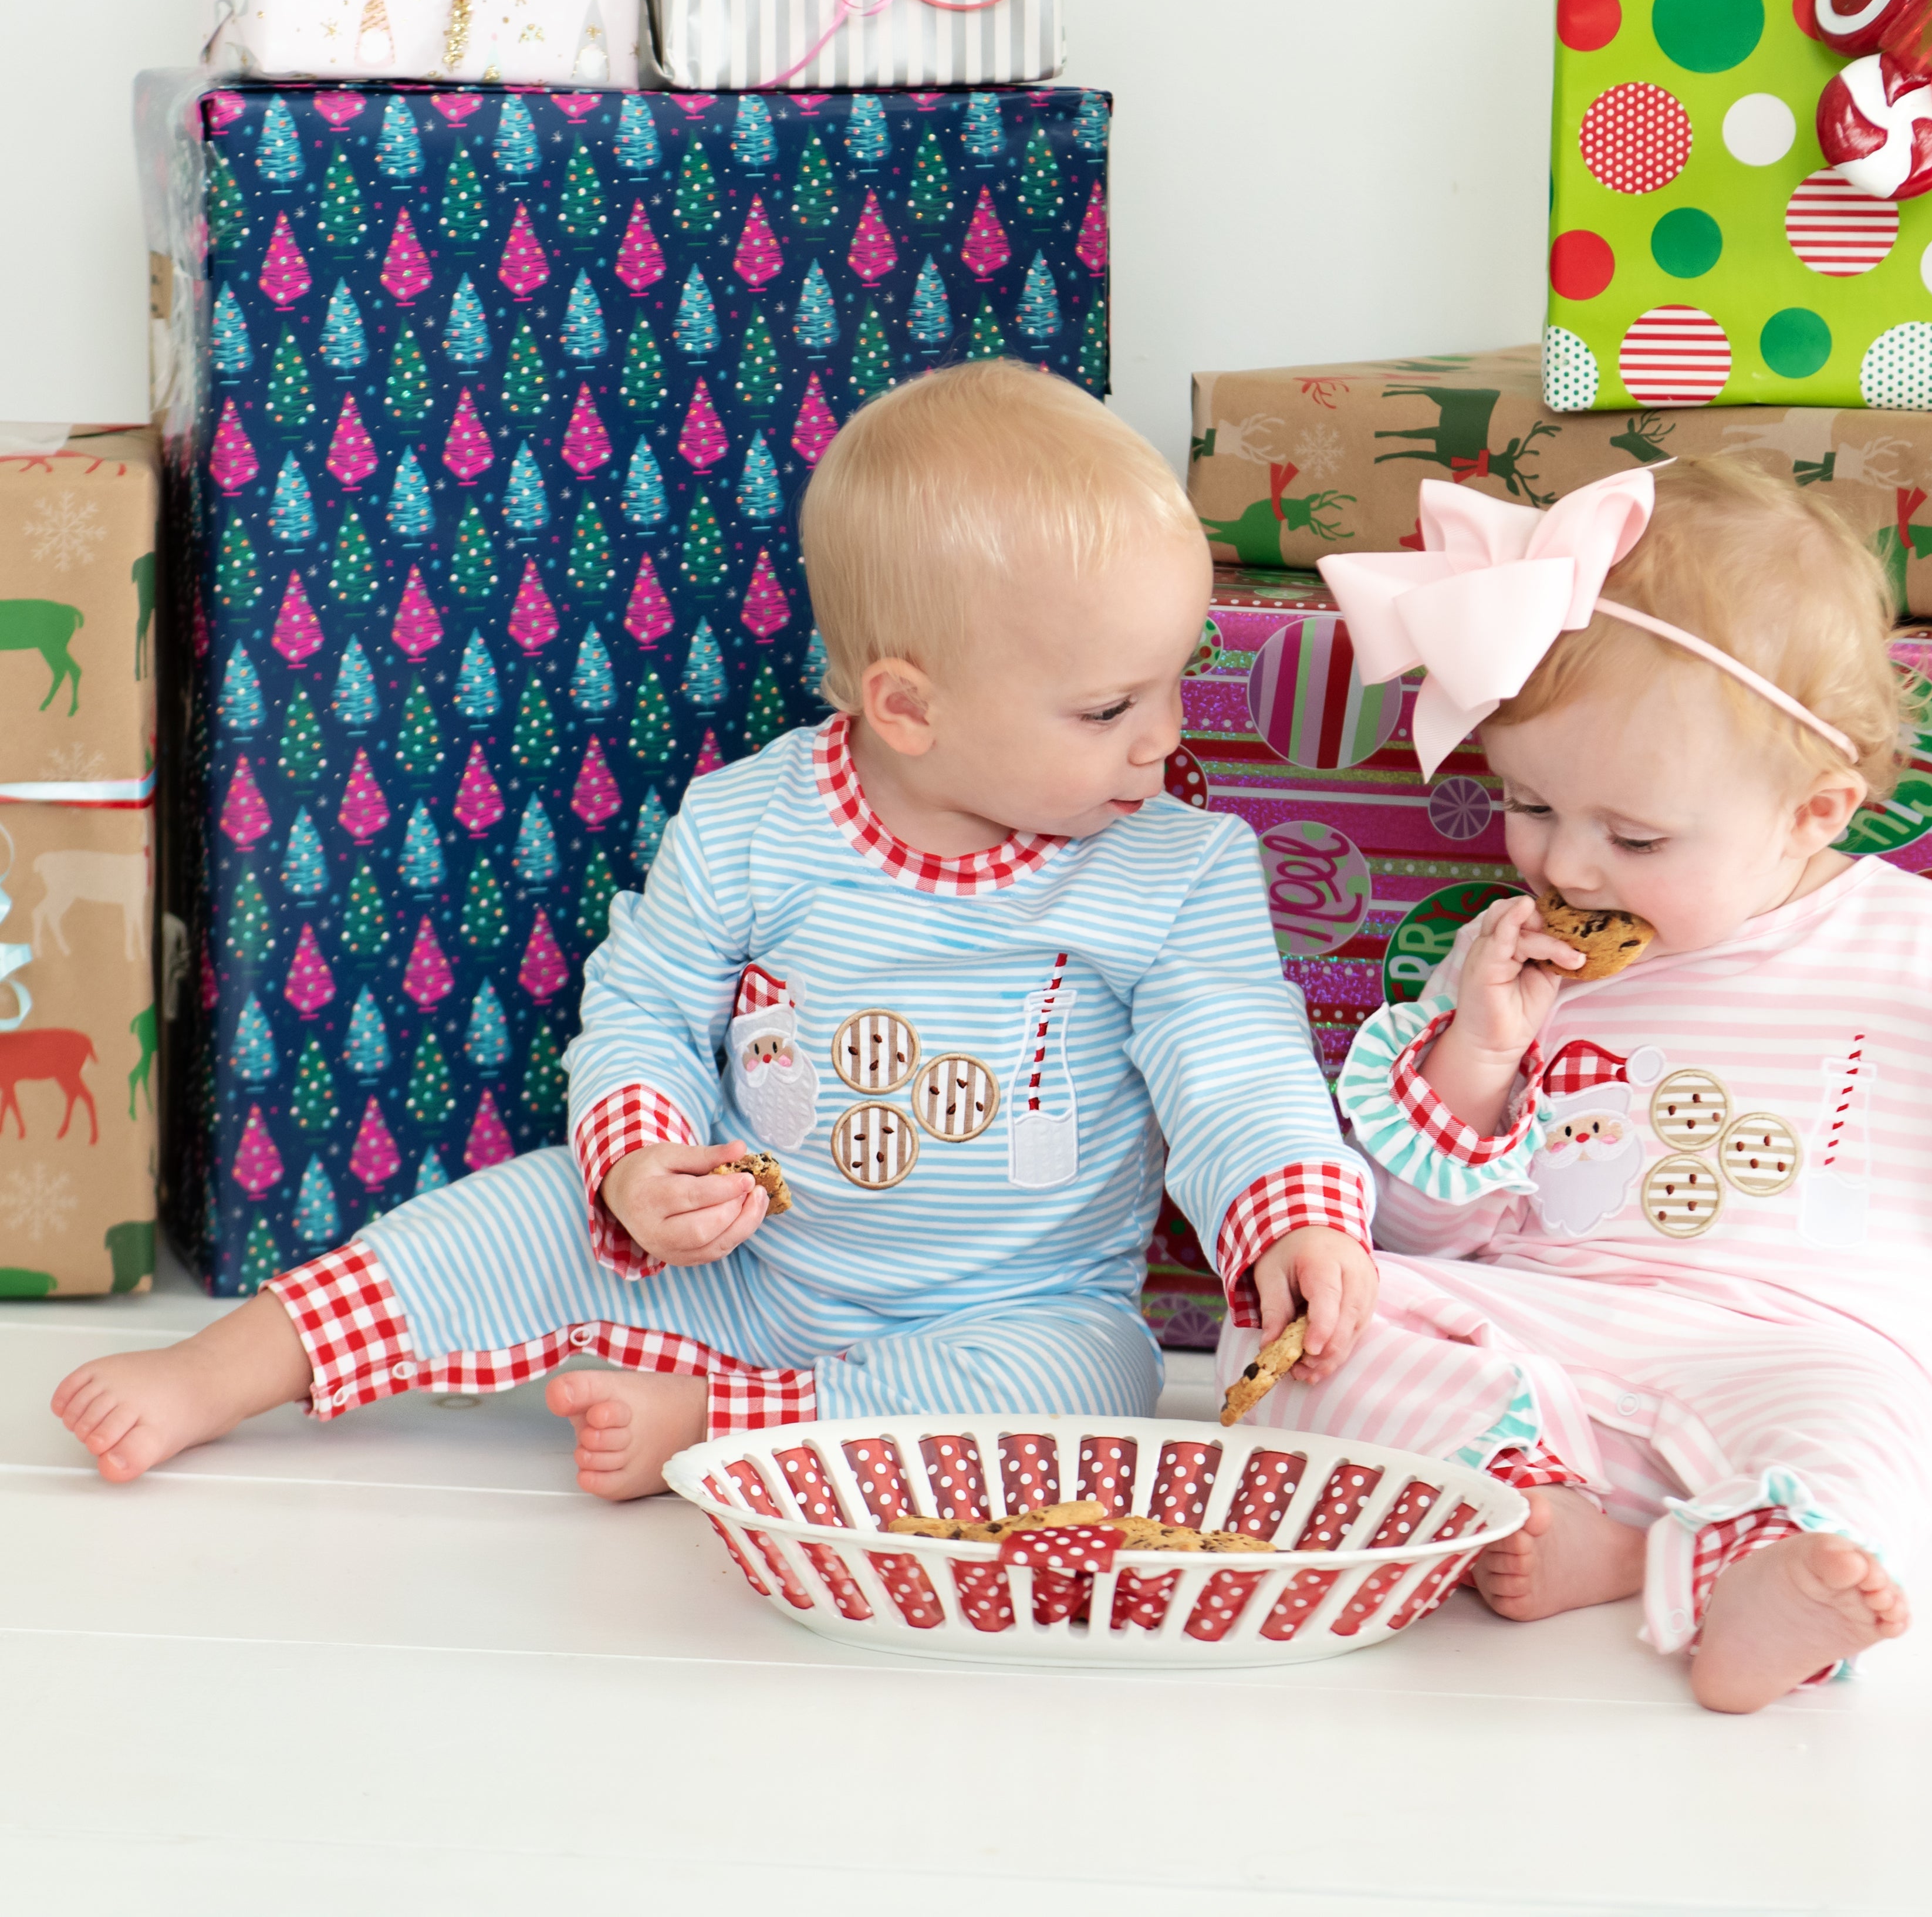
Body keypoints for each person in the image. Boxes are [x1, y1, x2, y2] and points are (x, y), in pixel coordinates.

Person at [56, 363, 1377, 1496]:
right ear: (906, 707)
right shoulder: (756, 822)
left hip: (1008, 1311)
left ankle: (724, 1423)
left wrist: (1290, 1217)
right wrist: (644, 1163)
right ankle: (229, 1366)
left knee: (1087, 1390)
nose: (1163, 739)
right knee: (519, 1215)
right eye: (1107, 709)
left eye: (1176, 679)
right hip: (741, 1265)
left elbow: (1235, 1064)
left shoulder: (1178, 866)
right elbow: (644, 1006)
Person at [1220, 459, 1932, 1712]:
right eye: (1528, 802)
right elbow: (1426, 1234)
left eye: (1635, 837)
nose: (1569, 867)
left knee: (1879, 1440)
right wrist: (1479, 1055)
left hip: (1796, 1351)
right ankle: (1537, 1508)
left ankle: (1751, 1573)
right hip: (1547, 1340)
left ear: (1812, 811)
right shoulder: (1514, 958)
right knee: (1306, 1326)